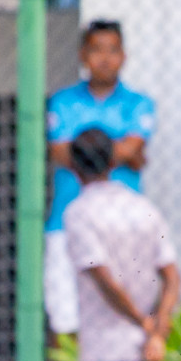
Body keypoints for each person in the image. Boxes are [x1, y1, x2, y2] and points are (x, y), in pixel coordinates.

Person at [63, 128, 180, 361]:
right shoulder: (142, 207)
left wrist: (143, 323)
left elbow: (105, 280)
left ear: (73, 166)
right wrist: (158, 328)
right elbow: (172, 277)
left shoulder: (79, 213)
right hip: (135, 341)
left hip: (105, 345)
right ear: (114, 160)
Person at [44, 20, 156, 341]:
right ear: (82, 55)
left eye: (112, 50)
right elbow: (60, 152)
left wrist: (85, 149)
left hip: (122, 225)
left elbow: (133, 147)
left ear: (124, 56)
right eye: (96, 50)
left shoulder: (139, 103)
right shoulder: (62, 102)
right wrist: (120, 151)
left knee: (125, 313)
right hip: (65, 222)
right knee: (64, 318)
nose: (104, 59)